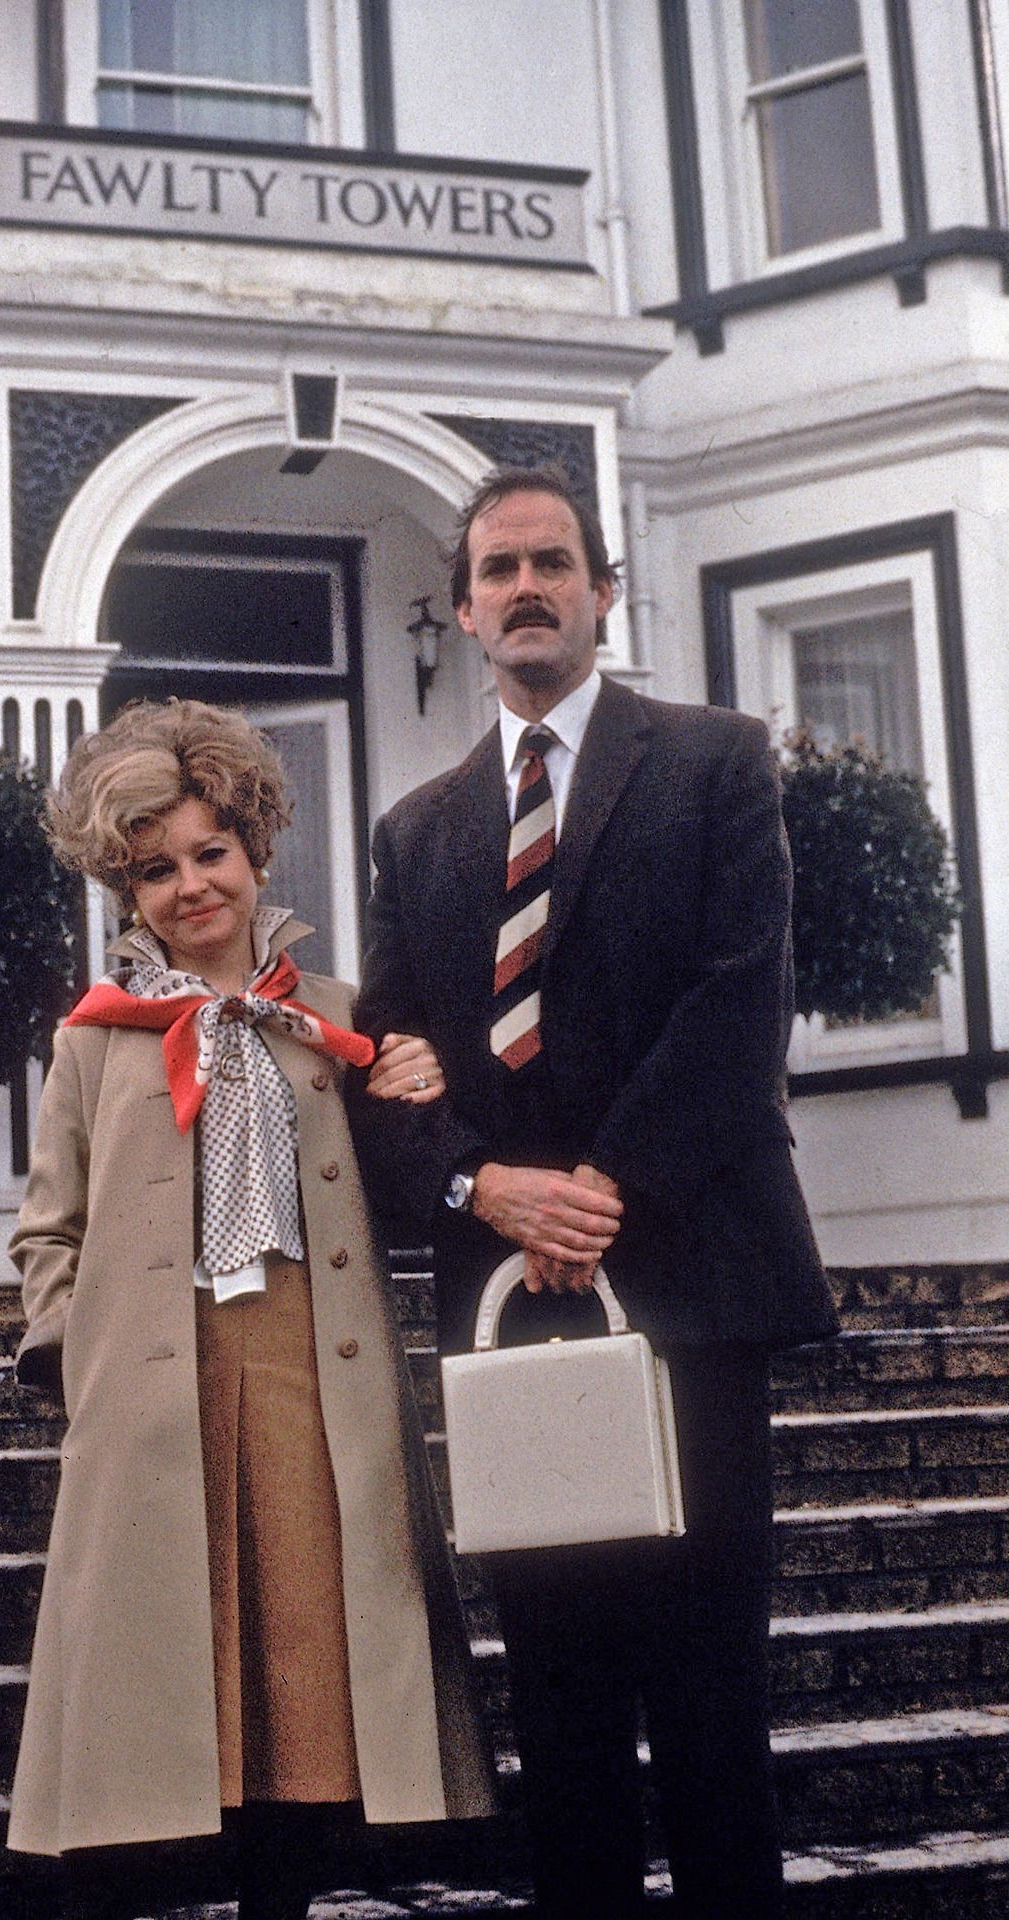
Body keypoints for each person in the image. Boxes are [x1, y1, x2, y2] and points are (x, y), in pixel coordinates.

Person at [347, 467, 840, 1920]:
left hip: (687, 1288)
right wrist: (484, 1187)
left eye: (550, 562)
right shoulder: (414, 831)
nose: (523, 589)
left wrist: (595, 1189)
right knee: (557, 1711)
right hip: (514, 1323)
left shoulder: (711, 760)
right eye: (495, 570)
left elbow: (738, 1007)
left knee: (702, 1700)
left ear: (602, 590)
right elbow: (392, 1063)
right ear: (460, 605)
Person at [6, 698, 494, 1918]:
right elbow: (46, 1227)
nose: (190, 886)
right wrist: (78, 1357)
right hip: (150, 1398)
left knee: (306, 1678)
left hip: (313, 1380)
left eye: (208, 853)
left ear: (257, 849)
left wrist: (417, 1085)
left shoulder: (342, 1015)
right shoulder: (92, 1040)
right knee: (168, 1690)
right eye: (155, 870)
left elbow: (411, 1170)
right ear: (127, 893)